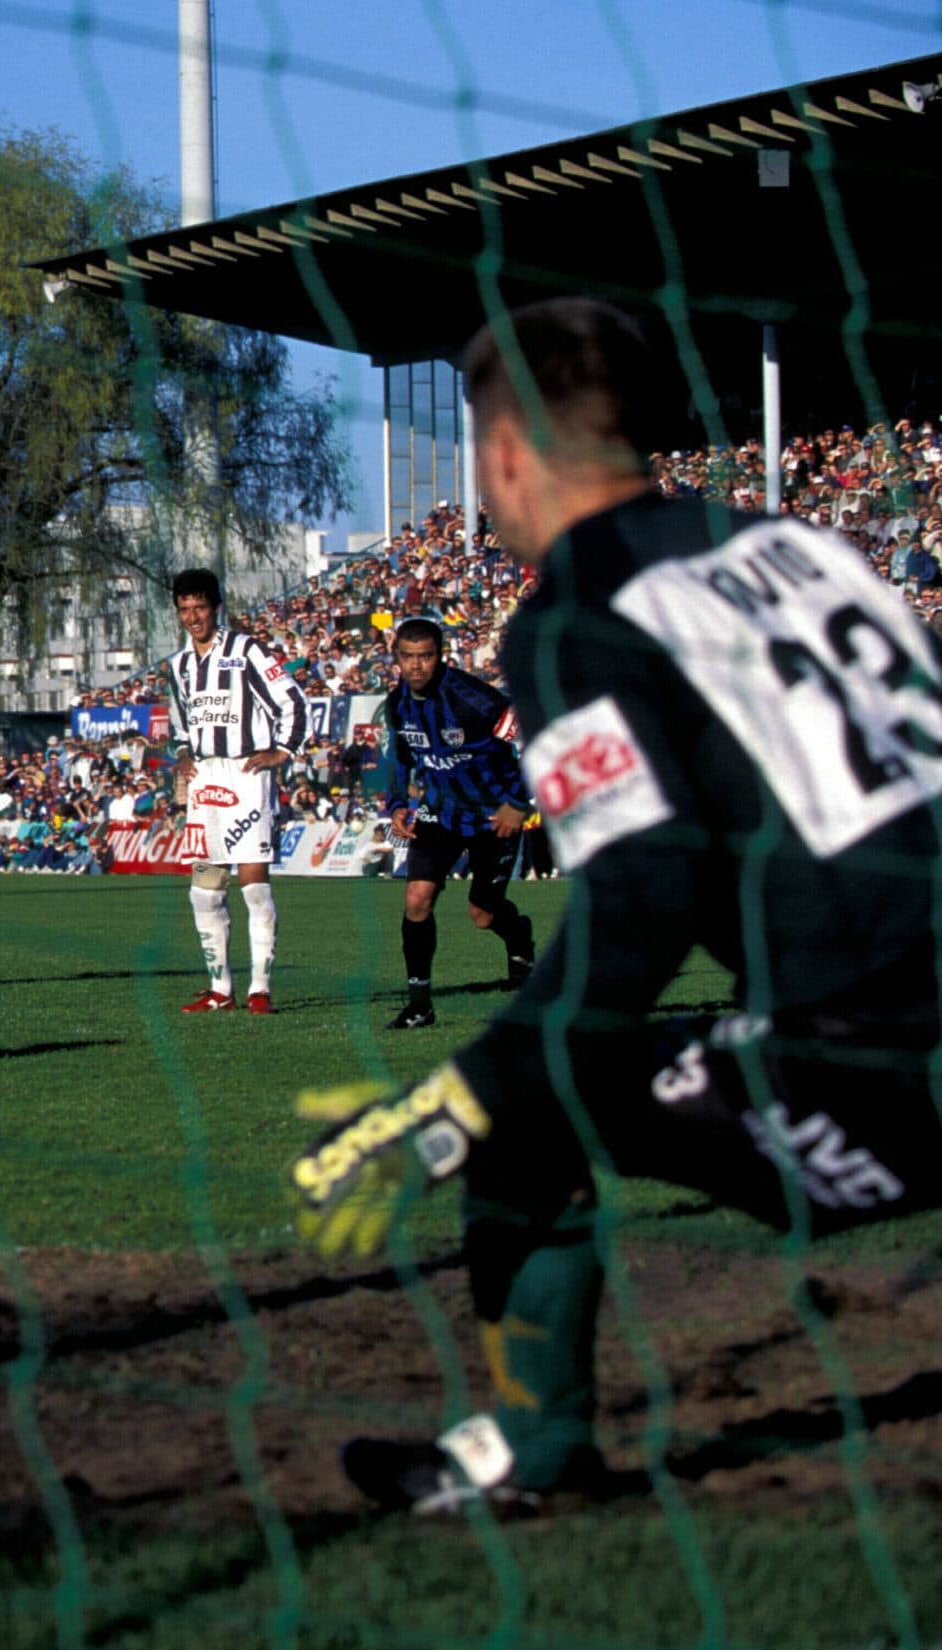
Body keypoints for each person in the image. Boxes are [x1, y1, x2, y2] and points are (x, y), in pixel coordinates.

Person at [290, 297, 942, 1514]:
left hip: (878, 1060)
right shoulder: (805, 551)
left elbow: (640, 902)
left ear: (502, 455)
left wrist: (470, 1086)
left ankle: (534, 1457)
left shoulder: (576, 607)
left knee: (524, 1109)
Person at [379, 618, 537, 1029]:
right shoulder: (397, 704)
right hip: (439, 812)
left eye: (425, 656)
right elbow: (399, 758)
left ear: (440, 656)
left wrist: (518, 803)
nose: (416, 666)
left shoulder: (477, 700)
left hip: (492, 815)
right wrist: (397, 804)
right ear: (396, 657)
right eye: (407, 657)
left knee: (482, 914)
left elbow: (534, 741)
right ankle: (419, 1005)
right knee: (416, 899)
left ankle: (518, 936)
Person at [163, 568, 307, 1014]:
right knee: (204, 890)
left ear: (216, 605)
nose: (193, 617)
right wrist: (183, 751)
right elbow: (178, 724)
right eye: (185, 609)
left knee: (253, 888)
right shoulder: (179, 665)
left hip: (246, 775)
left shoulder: (246, 651)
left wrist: (282, 751)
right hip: (204, 781)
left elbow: (293, 701)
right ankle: (220, 989)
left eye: (200, 607)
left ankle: (259, 989)